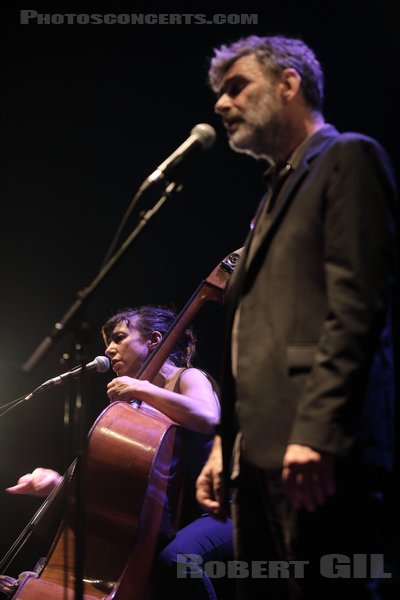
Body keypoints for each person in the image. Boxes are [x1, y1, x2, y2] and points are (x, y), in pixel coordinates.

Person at [195, 35, 398, 599]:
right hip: (260, 455)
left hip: (320, 450)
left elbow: (356, 307)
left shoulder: (348, 157)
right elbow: (252, 334)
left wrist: (317, 430)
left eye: (237, 87)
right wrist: (224, 444)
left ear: (289, 84)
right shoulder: (271, 198)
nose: (221, 104)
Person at [7, 305, 233, 599]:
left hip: (232, 507)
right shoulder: (141, 411)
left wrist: (140, 389)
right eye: (108, 343)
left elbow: (208, 416)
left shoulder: (187, 377)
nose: (110, 350)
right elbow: (125, 486)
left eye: (119, 338)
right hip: (183, 518)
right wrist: (59, 484)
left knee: (176, 559)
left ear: (153, 340)